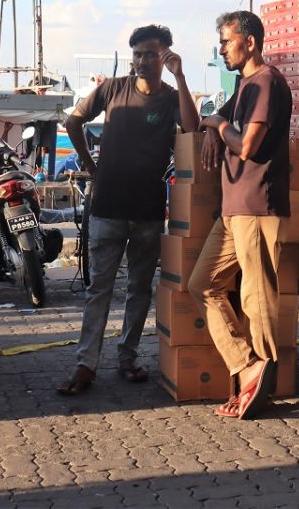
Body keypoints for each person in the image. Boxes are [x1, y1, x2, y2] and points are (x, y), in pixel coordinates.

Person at [57, 24, 199, 395]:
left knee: (139, 289)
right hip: (107, 207)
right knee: (99, 289)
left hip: (148, 211)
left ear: (165, 57)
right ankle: (86, 364)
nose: (142, 60)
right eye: (137, 54)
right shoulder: (112, 89)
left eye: (151, 54)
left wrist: (181, 77)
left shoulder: (171, 97)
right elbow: (73, 120)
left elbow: (192, 128)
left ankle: (127, 357)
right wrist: (89, 163)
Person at [188, 10, 292, 420]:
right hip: (233, 209)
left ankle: (262, 383)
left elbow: (247, 145)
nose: (221, 49)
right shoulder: (244, 85)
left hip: (257, 205)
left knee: (256, 297)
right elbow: (211, 121)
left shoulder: (266, 82)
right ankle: (247, 365)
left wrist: (218, 126)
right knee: (202, 284)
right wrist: (213, 126)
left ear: (249, 42)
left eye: (227, 42)